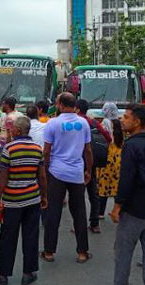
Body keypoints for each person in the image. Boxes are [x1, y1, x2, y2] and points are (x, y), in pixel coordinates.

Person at [91, 104, 145, 285]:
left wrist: (118, 206)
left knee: (123, 252)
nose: (122, 119)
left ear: (137, 122)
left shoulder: (132, 147)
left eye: (127, 117)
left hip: (134, 209)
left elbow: (126, 180)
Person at [0, 116, 48, 285]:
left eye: (12, 128)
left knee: (8, 237)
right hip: (32, 199)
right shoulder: (37, 148)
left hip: (12, 201)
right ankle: (28, 273)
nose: (10, 131)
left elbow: (3, 178)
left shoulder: (9, 149)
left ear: (18, 131)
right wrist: (44, 196)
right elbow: (41, 176)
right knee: (31, 235)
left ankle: (3, 273)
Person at [40, 93, 93, 263]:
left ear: (61, 105)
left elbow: (46, 151)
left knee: (53, 211)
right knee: (79, 212)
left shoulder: (52, 123)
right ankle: (82, 252)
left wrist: (46, 170)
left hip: (56, 172)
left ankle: (49, 251)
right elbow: (88, 150)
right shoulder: (83, 122)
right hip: (76, 172)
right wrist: (88, 170)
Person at [76, 99, 111, 233]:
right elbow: (108, 138)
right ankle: (94, 223)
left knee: (77, 195)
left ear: (78, 109)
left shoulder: (75, 123)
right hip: (92, 162)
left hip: (77, 161)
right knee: (93, 193)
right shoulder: (93, 122)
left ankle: (79, 224)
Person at [97, 119, 123, 220]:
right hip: (118, 163)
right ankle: (117, 211)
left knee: (103, 189)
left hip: (106, 163)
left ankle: (100, 212)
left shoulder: (106, 135)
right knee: (117, 188)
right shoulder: (122, 135)